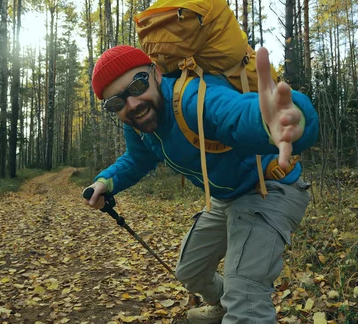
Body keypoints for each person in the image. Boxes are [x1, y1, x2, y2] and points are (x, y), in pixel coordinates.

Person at [83, 44, 319, 324]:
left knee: (244, 294)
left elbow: (236, 114)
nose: (132, 104)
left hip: (269, 188)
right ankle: (222, 307)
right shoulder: (139, 124)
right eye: (116, 103)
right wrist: (106, 182)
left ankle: (239, 311)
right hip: (225, 198)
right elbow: (137, 158)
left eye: (137, 86)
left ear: (156, 73)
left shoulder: (192, 97)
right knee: (190, 271)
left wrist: (277, 120)